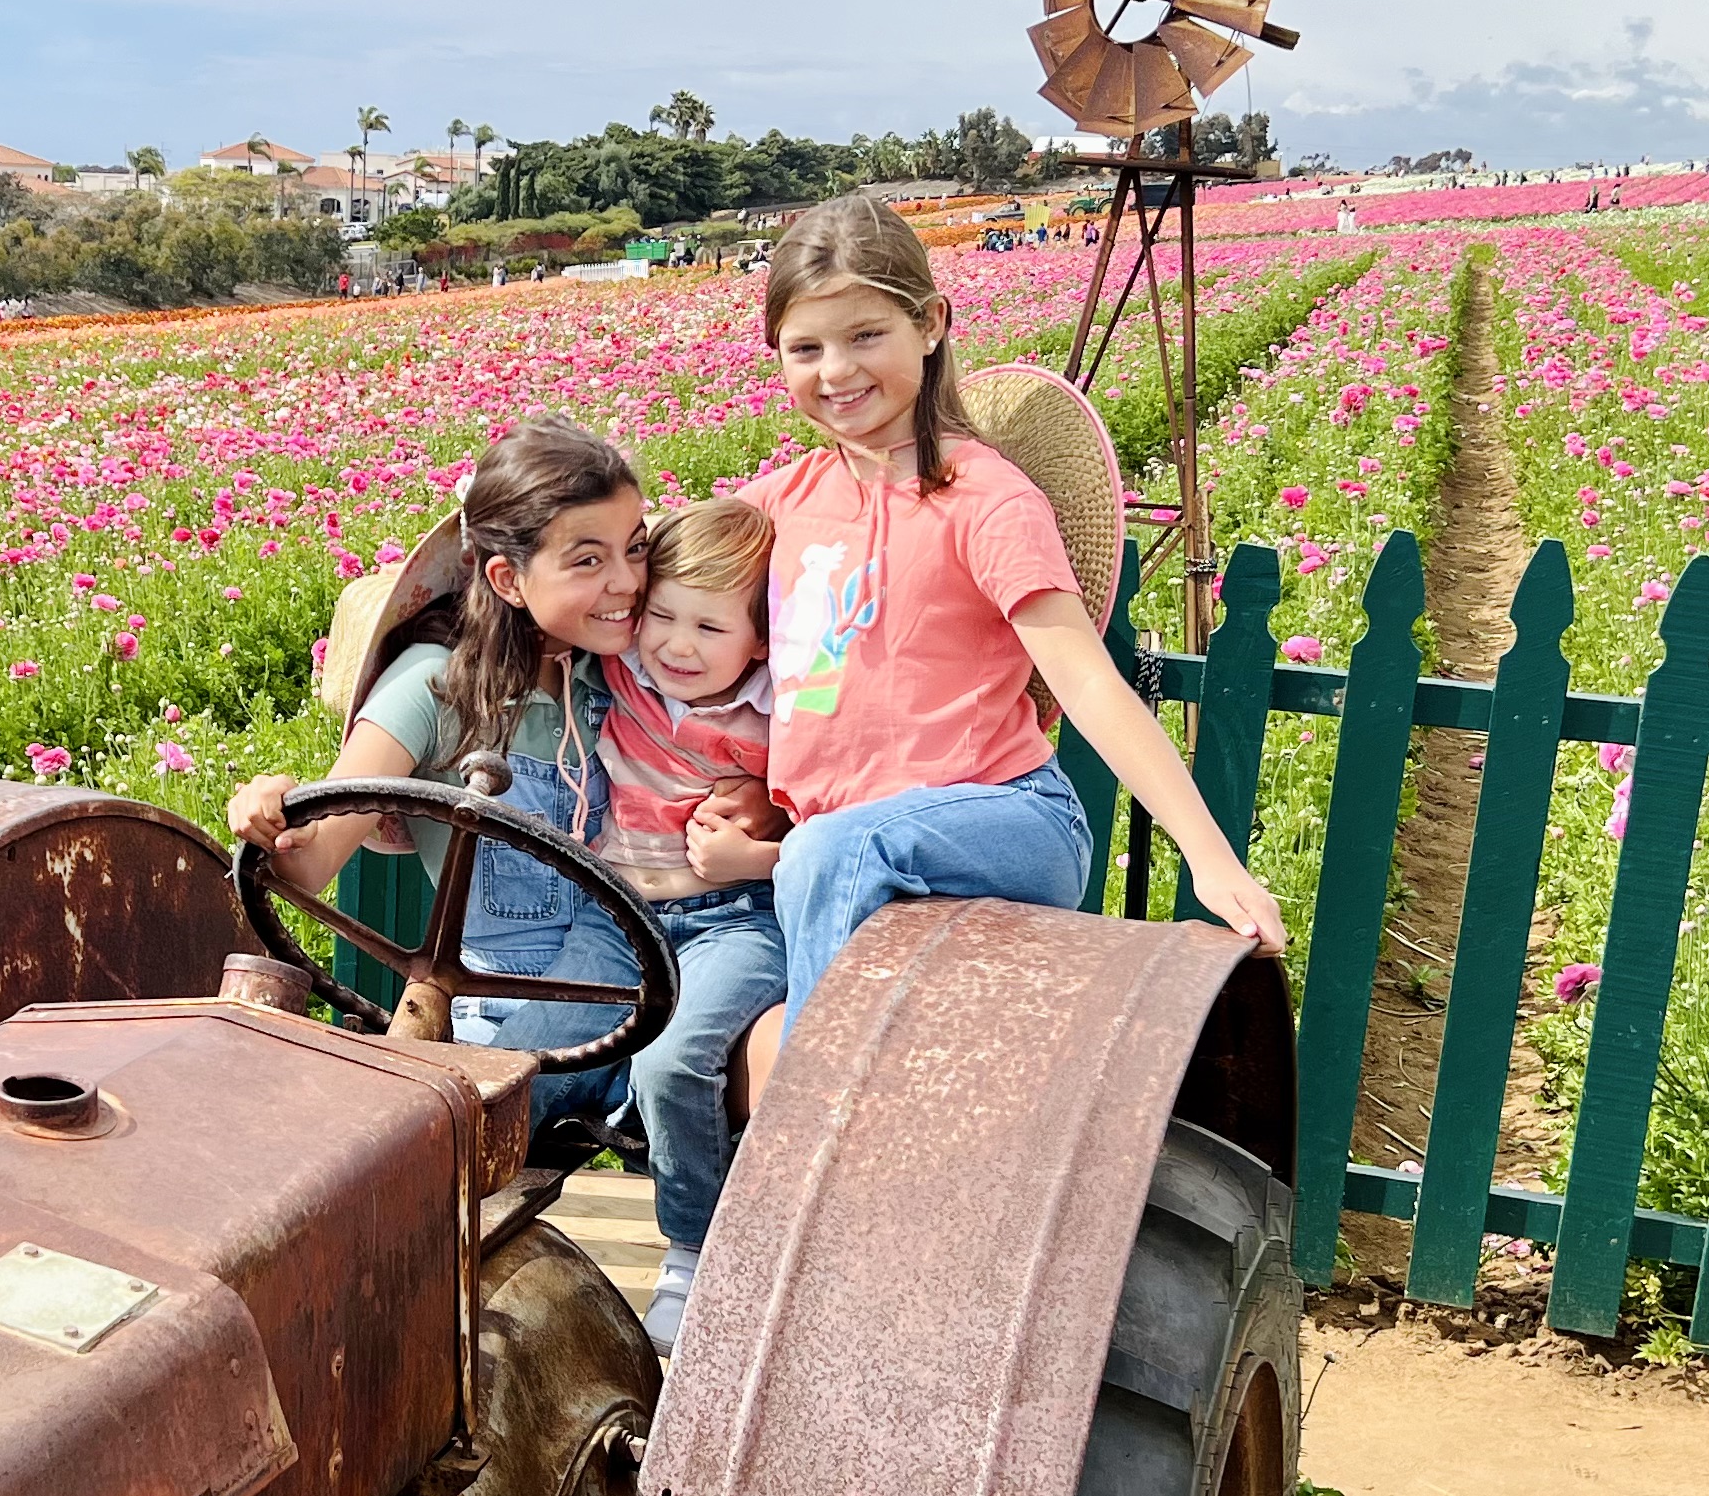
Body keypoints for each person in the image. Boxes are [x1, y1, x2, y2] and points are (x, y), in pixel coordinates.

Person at [747, 192, 1286, 1036]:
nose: (837, 371)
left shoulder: (984, 500)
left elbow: (1086, 679)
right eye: (805, 347)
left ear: (930, 325)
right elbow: (656, 591)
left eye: (866, 336)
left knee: (833, 851)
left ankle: (823, 1127)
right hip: (845, 838)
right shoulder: (784, 501)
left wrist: (1210, 858)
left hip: (1002, 812)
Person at [225, 417, 649, 1151]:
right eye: (588, 560)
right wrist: (268, 814)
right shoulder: (433, 689)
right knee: (422, 1148)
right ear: (507, 579)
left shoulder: (628, 675)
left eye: (635, 548)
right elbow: (312, 859)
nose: (626, 583)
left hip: (639, 1003)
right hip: (503, 1023)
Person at [583, 495, 786, 1346]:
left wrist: (760, 848)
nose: (677, 644)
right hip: (614, 916)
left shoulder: (788, 716)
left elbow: (843, 825)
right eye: (663, 615)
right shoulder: (618, 665)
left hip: (738, 917)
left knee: (674, 1062)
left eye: (709, 627)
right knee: (519, 1052)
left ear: (762, 641)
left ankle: (694, 1252)